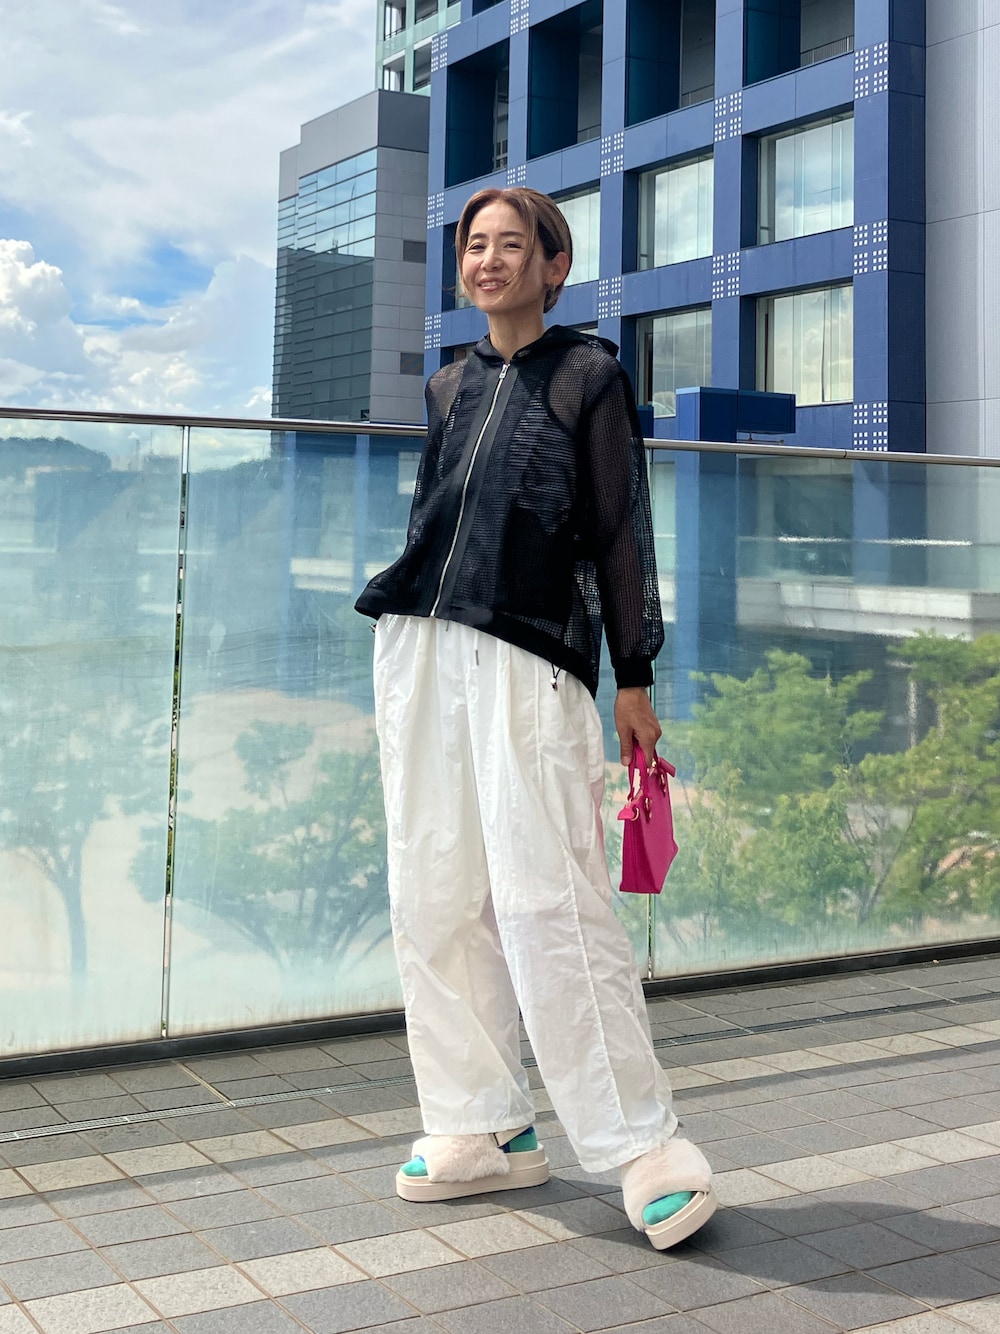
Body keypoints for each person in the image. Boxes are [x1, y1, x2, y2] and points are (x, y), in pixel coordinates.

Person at [355, 187, 715, 1251]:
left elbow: (618, 528)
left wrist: (634, 674)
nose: (489, 259)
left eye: (512, 244)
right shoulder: (449, 382)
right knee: (433, 890)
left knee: (548, 896)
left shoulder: (588, 374)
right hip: (421, 642)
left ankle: (642, 1143)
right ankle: (482, 1123)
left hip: (531, 648)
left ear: (554, 266)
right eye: (476, 244)